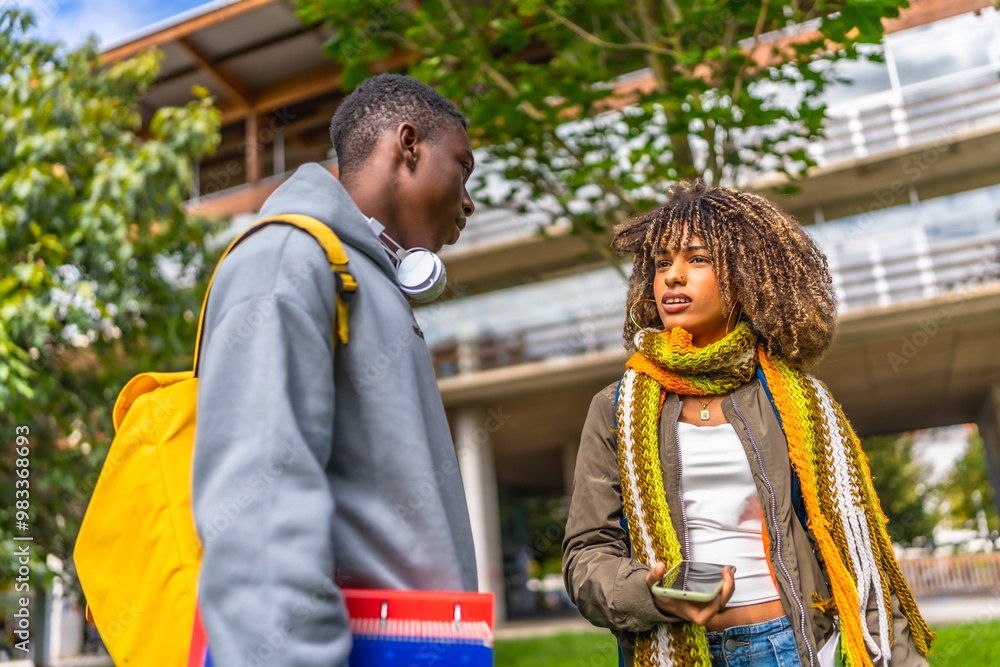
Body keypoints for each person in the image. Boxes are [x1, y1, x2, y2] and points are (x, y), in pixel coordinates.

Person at [562, 181, 935, 667]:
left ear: (745, 275)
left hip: (787, 644)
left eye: (697, 259)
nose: (673, 276)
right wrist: (650, 594)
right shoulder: (614, 407)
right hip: (670, 647)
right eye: (661, 263)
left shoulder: (802, 402)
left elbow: (857, 553)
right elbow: (587, 552)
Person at [192, 74, 478, 665]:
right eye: (464, 169)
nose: (469, 201)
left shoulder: (361, 277)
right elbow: (258, 516)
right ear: (408, 145)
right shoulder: (286, 259)